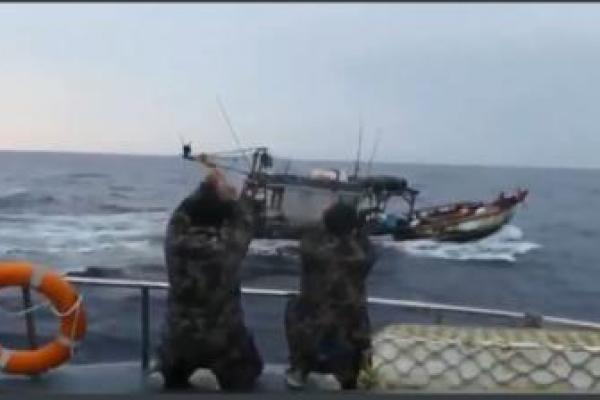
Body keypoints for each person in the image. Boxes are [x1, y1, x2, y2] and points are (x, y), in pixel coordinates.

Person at [148, 168, 263, 391]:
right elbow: (246, 220)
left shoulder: (175, 240)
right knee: (250, 366)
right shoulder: (227, 246)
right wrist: (237, 198)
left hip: (178, 336)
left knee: (177, 353)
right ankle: (217, 376)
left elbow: (180, 213)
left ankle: (165, 372)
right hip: (219, 339)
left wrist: (207, 188)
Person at [284, 201, 377, 390]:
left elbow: (310, 238)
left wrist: (328, 220)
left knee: (294, 307)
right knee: (360, 315)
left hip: (314, 323)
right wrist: (357, 228)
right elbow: (367, 247)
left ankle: (300, 368)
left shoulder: (312, 250)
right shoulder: (363, 255)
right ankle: (353, 376)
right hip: (351, 324)